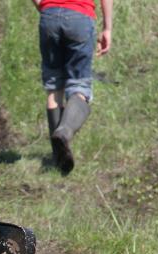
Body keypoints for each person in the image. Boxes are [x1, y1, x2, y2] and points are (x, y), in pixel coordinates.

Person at [33, 0, 112, 174]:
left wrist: (43, 6)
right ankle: (64, 132)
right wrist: (107, 28)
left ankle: (59, 161)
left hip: (49, 16)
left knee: (54, 87)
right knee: (79, 87)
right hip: (80, 17)